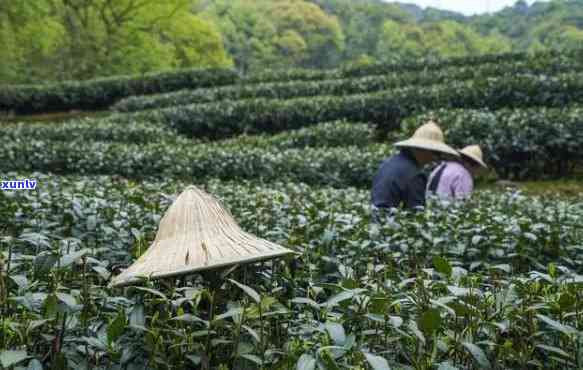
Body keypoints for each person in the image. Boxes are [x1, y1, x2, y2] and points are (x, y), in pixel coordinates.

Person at [371, 121, 459, 223]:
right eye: (436, 153)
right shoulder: (415, 175)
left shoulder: (388, 163)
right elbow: (417, 217)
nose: (435, 159)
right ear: (421, 149)